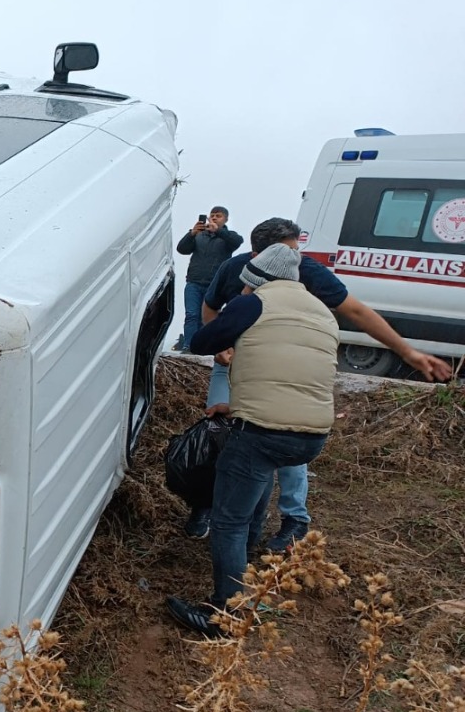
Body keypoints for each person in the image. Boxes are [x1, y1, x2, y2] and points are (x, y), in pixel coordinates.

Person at [183, 217, 455, 549]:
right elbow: (209, 308)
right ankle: (205, 504)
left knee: (286, 434)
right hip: (236, 361)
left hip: (285, 369)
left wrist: (408, 353)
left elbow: (356, 311)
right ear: (257, 255)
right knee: (216, 432)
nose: (295, 259)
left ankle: (293, 520)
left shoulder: (306, 271)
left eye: (297, 251)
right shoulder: (234, 269)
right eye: (288, 252)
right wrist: (222, 349)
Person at [166, 243, 337, 637]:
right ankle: (252, 545)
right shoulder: (321, 311)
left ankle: (227, 614)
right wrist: (235, 406)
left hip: (264, 431)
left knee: (228, 520)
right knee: (257, 474)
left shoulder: (253, 303)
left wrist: (241, 303)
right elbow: (291, 371)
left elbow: (202, 341)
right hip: (311, 434)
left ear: (255, 280)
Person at [173, 206, 242, 352]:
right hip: (193, 282)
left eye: (219, 216)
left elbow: (237, 241)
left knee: (208, 318)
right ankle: (189, 346)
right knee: (192, 315)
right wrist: (191, 234)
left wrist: (218, 231)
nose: (215, 218)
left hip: (214, 285)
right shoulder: (199, 235)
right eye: (213, 215)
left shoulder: (228, 237)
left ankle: (205, 347)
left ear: (226, 219)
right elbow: (182, 249)